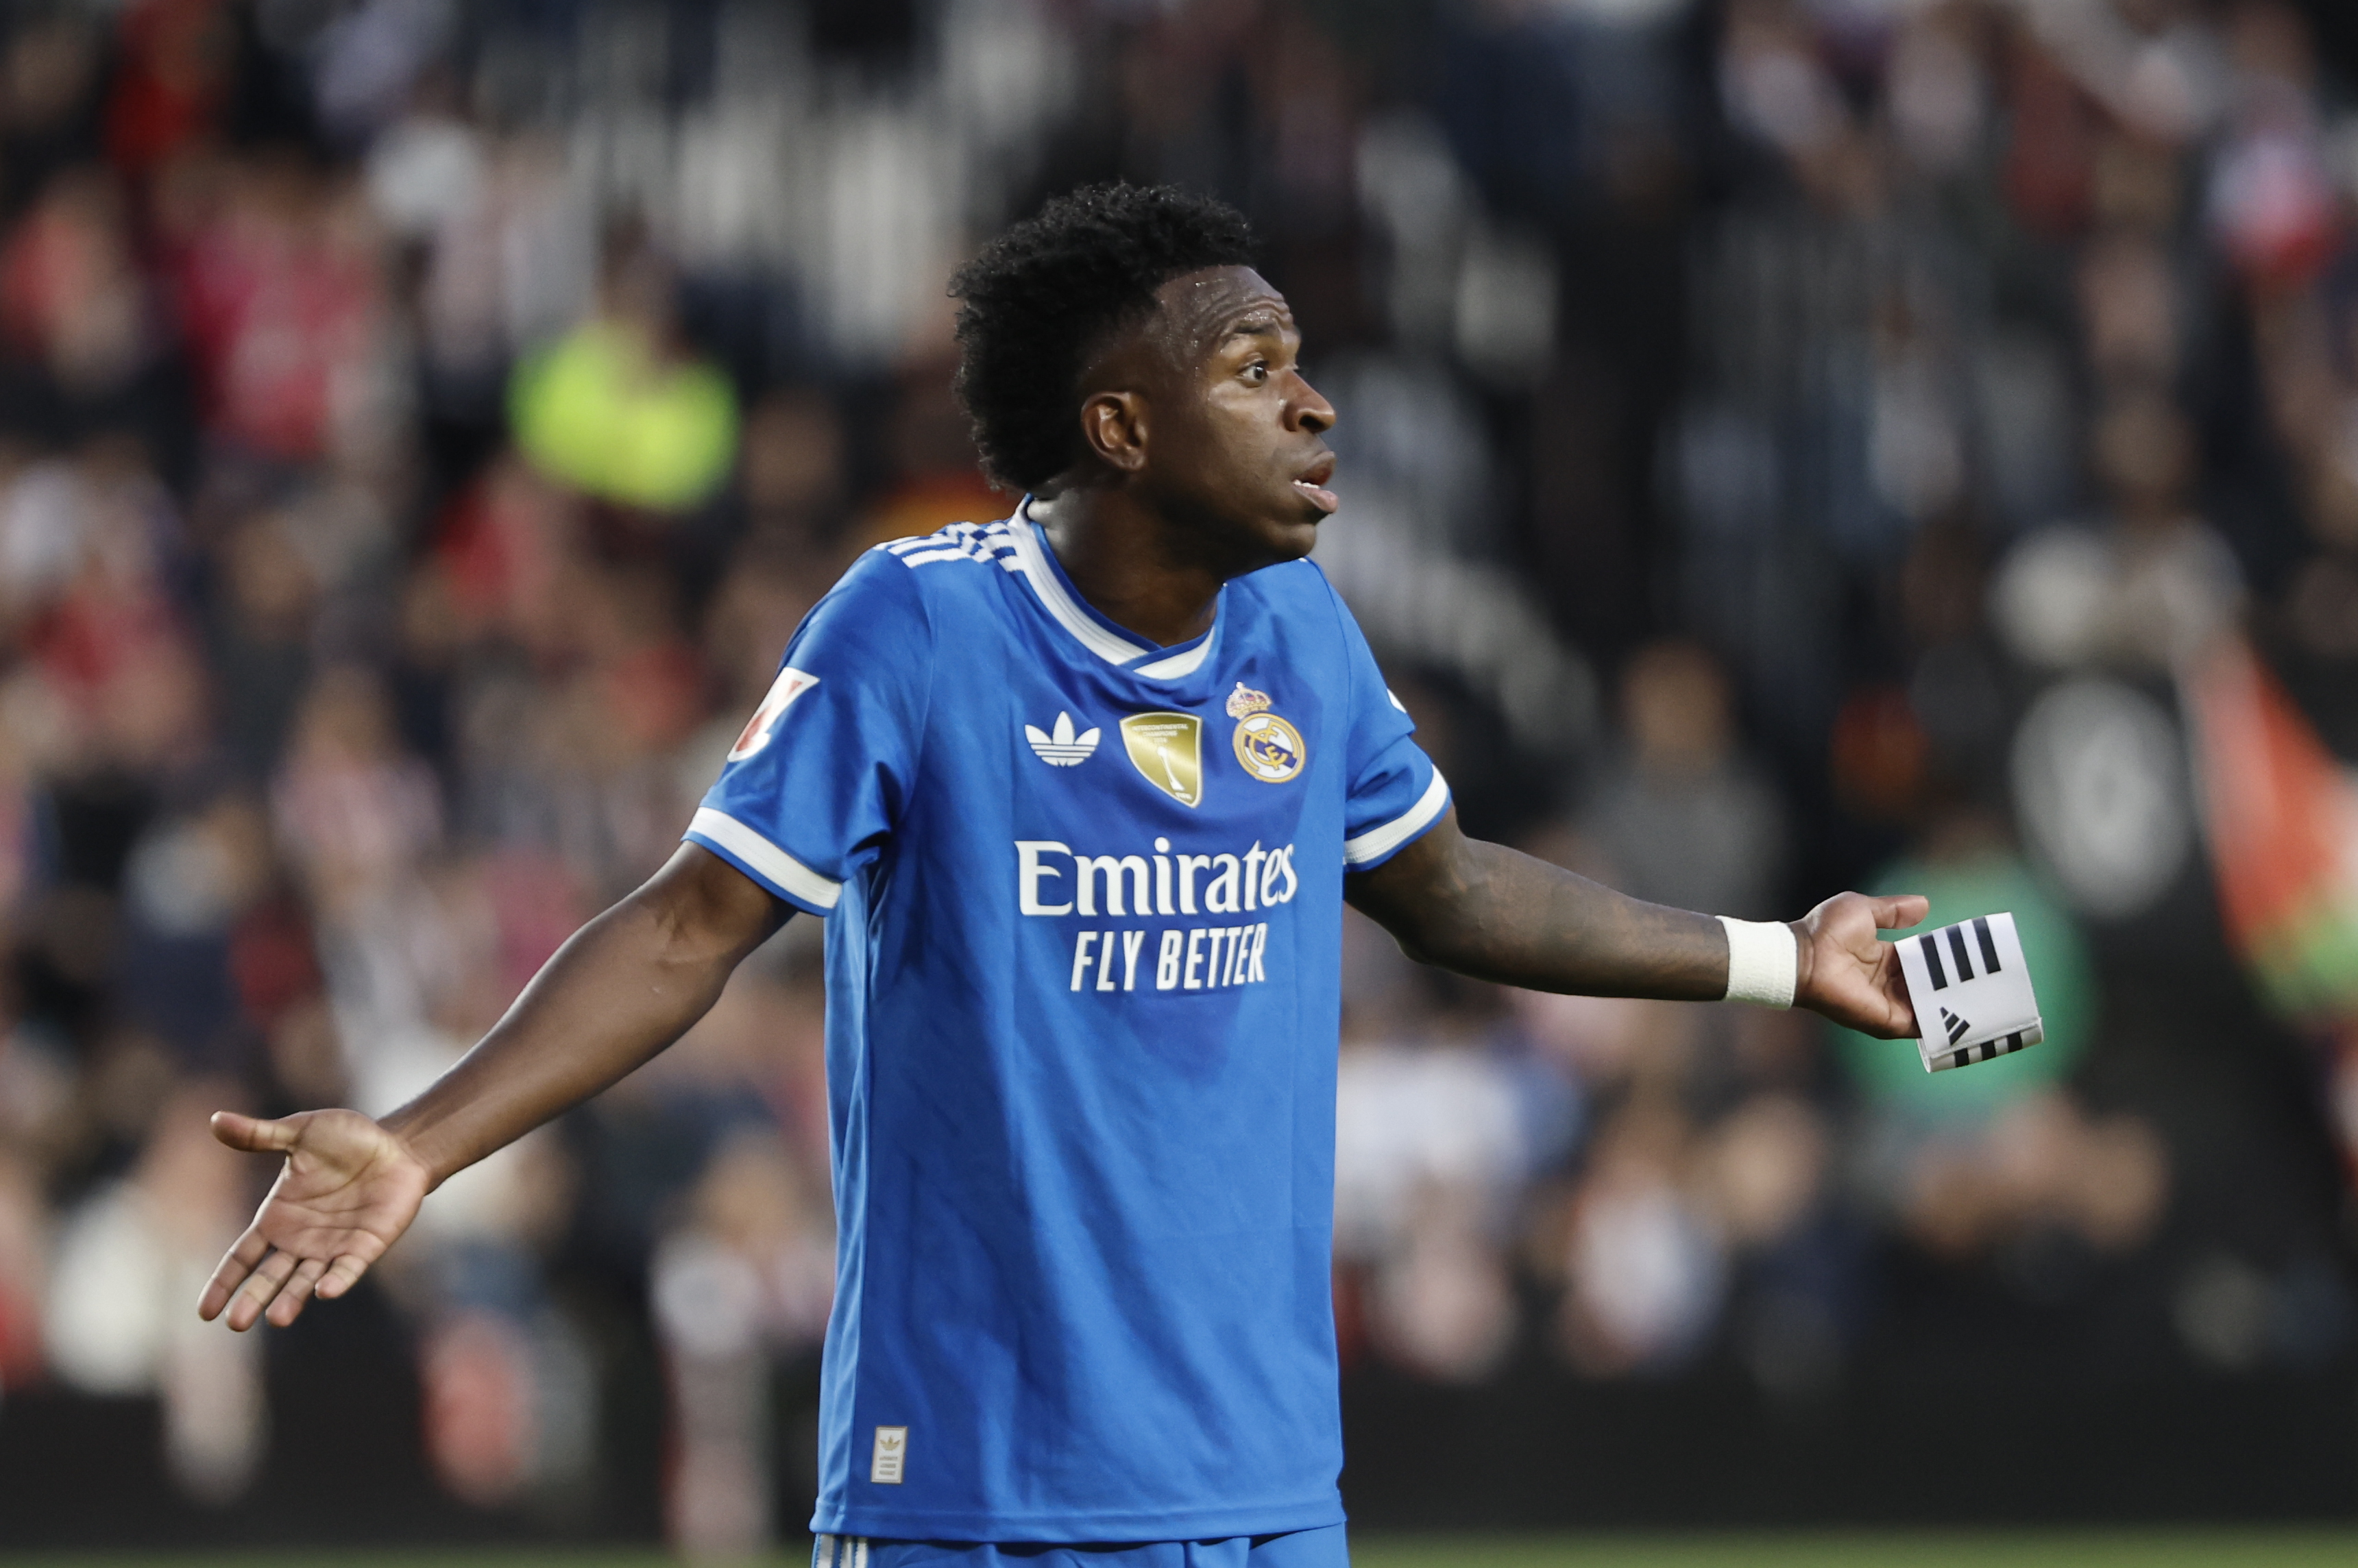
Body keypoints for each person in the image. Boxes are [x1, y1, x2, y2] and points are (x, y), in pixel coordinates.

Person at [199, 185, 1924, 1568]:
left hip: (1261, 1488)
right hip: (975, 1489)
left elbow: (1450, 889)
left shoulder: (1297, 633)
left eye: (1297, 359)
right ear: (1116, 424)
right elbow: (686, 925)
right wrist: (420, 1140)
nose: (1312, 400)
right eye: (1251, 369)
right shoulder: (918, 627)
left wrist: (1783, 955)